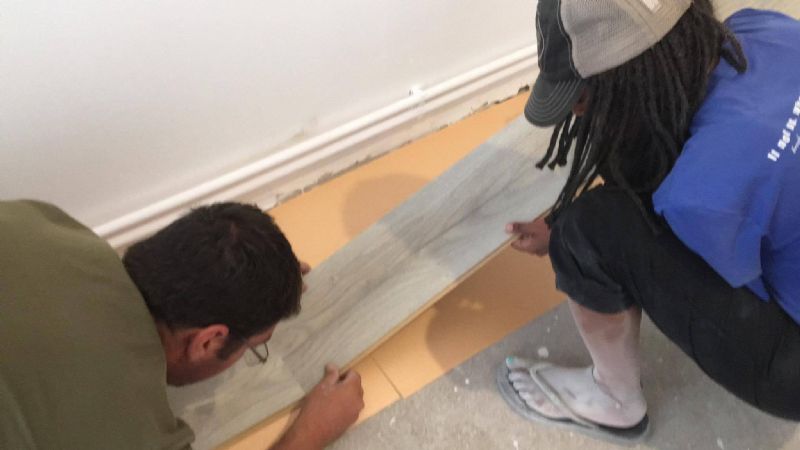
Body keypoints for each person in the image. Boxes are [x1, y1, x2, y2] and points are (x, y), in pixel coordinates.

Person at [498, 0, 800, 443]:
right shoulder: (763, 26)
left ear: (632, 78)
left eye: (581, 96)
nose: (578, 111)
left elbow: (744, 288)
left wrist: (568, 229)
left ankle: (614, 401)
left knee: (587, 228)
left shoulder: (699, 198)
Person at [0, 200, 364, 449]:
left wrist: (267, 280)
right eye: (255, 346)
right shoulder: (138, 433)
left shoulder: (39, 221)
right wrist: (312, 433)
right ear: (208, 341)